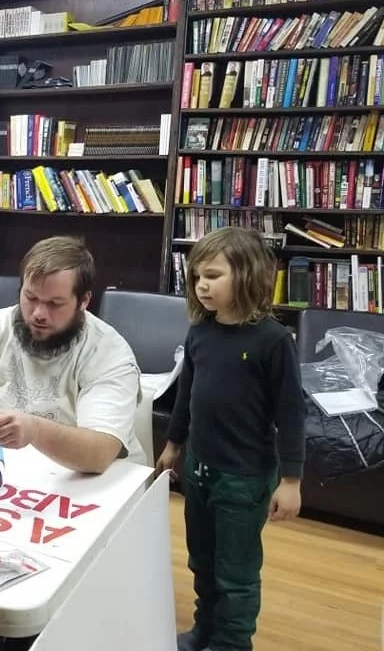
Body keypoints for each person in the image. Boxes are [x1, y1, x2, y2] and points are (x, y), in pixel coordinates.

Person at [0, 235, 144, 651]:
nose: (38, 313)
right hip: (9, 484)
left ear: (84, 301)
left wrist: (34, 430)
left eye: (55, 304)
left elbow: (99, 453)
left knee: (35, 615)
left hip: (86, 489)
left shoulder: (109, 352)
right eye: (30, 298)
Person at [154, 227, 305, 651]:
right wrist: (173, 445)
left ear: (247, 274)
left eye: (213, 275)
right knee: (201, 560)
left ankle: (232, 643)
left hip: (244, 478)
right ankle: (205, 629)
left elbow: (292, 413)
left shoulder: (273, 340)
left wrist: (291, 481)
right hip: (199, 470)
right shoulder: (199, 332)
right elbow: (186, 396)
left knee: (235, 572)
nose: (202, 285)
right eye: (197, 276)